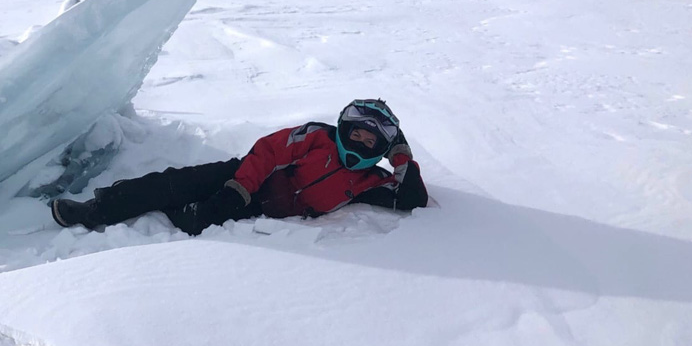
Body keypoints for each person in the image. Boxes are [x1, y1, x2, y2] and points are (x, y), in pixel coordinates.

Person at [50, 98, 429, 236]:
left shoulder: (370, 179)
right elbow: (269, 150)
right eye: (357, 133)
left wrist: (400, 152)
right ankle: (94, 209)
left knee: (193, 221)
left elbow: (411, 195)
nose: (361, 143)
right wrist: (239, 187)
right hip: (245, 177)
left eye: (372, 141)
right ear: (344, 127)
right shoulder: (318, 136)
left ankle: (171, 217)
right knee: (170, 184)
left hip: (263, 210)